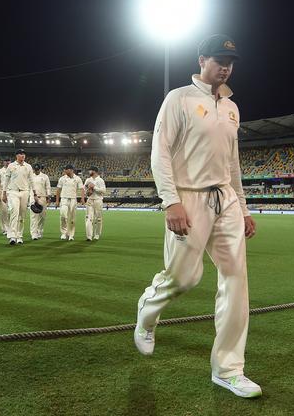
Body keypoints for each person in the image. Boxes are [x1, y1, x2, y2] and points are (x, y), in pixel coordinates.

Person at [134, 34, 261, 398]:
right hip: (188, 197)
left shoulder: (233, 108)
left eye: (231, 61)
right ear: (202, 59)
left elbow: (233, 165)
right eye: (220, 59)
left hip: (226, 200)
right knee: (184, 278)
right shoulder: (179, 98)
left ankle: (228, 368)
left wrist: (244, 207)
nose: (226, 66)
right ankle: (149, 306)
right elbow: (160, 152)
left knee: (236, 280)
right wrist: (170, 201)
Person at [1, 149, 35, 245]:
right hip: (13, 192)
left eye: (24, 154)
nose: (22, 155)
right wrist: (4, 193)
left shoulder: (28, 166)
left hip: (24, 192)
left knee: (22, 215)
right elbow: (6, 180)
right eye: (20, 154)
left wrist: (35, 193)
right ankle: (12, 236)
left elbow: (32, 180)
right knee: (14, 212)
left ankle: (19, 236)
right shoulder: (11, 166)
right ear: (16, 156)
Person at [55, 164, 84, 240]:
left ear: (71, 170)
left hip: (73, 199)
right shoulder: (62, 178)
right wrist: (57, 200)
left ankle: (71, 235)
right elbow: (58, 190)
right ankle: (64, 233)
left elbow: (81, 189)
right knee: (63, 215)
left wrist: (82, 198)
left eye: (66, 169)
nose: (64, 171)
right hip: (64, 199)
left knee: (72, 218)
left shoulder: (77, 178)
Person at [84, 165, 106, 241]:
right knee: (88, 218)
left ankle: (97, 234)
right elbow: (86, 191)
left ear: (94, 171)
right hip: (90, 200)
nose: (89, 172)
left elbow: (103, 191)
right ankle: (89, 236)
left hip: (98, 200)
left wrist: (94, 187)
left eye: (90, 170)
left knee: (98, 219)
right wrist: (88, 191)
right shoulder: (87, 180)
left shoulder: (100, 180)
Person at [30, 163, 51, 240]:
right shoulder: (30, 176)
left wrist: (49, 195)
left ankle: (40, 231)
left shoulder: (45, 176)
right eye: (35, 170)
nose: (36, 171)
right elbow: (29, 187)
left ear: (40, 169)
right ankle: (34, 233)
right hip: (33, 197)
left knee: (42, 216)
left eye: (38, 169)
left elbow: (48, 187)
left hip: (43, 197)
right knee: (34, 216)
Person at [0, 159, 11, 236]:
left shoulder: (13, 170)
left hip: (11, 192)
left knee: (11, 211)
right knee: (3, 211)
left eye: (8, 161)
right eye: (6, 161)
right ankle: (4, 229)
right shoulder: (0, 171)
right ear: (3, 162)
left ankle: (10, 228)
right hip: (2, 192)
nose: (7, 162)